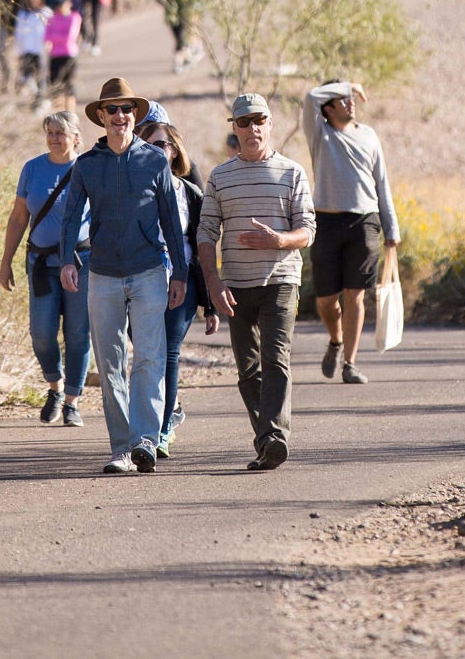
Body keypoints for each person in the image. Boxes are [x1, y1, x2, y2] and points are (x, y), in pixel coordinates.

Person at [58, 78, 187, 474]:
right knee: (111, 361)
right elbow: (70, 216)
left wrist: (179, 273)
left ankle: (146, 441)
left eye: (126, 109)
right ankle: (121, 449)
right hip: (103, 275)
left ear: (136, 115)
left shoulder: (154, 160)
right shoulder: (87, 165)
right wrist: (67, 259)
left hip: (149, 271)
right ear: (100, 117)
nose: (120, 116)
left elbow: (170, 218)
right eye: (111, 110)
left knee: (148, 358)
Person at [198, 93, 316, 471]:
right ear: (234, 128)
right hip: (235, 285)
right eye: (244, 122)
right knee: (248, 371)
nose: (252, 128)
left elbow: (308, 231)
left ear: (270, 123)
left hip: (281, 280)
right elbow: (205, 233)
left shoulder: (292, 172)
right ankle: (266, 440)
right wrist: (213, 282)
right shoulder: (219, 177)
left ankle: (274, 437)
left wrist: (278, 240)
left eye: (259, 120)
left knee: (275, 359)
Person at [299, 79, 400, 384]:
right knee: (327, 300)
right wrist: (349, 84)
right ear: (327, 108)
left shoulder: (369, 136)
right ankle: (336, 341)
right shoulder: (320, 134)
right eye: (342, 99)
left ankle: (351, 363)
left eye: (352, 98)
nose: (351, 102)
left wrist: (391, 228)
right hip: (326, 224)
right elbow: (309, 97)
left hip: (364, 224)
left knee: (355, 295)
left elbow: (381, 183)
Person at [0, 111, 93, 426]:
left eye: (61, 133)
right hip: (40, 262)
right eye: (50, 132)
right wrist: (6, 261)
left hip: (82, 262)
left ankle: (71, 402)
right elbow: (17, 218)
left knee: (78, 333)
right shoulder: (32, 169)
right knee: (41, 333)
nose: (54, 138)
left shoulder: (88, 168)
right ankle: (54, 386)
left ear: (76, 138)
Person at [137, 105, 217, 457]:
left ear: (175, 151)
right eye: (150, 145)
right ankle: (152, 421)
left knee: (168, 353)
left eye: (164, 145)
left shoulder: (190, 193)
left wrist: (210, 303)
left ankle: (161, 429)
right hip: (138, 283)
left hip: (180, 281)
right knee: (145, 354)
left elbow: (203, 249)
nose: (158, 151)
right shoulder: (131, 190)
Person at [43, 0, 82, 112]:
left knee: (69, 85)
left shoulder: (75, 17)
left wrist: (55, 36)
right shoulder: (53, 18)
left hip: (69, 55)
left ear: (69, 3)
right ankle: (59, 115)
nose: (60, 7)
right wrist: (59, 36)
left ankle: (71, 113)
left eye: (62, 4)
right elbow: (46, 37)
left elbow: (70, 37)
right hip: (55, 56)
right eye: (58, 5)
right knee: (55, 86)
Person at [12, 0, 49, 103]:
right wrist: (18, 51)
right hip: (26, 50)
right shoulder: (23, 14)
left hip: (41, 50)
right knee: (27, 78)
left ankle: (41, 99)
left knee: (41, 77)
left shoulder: (46, 13)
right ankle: (33, 99)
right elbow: (19, 34)